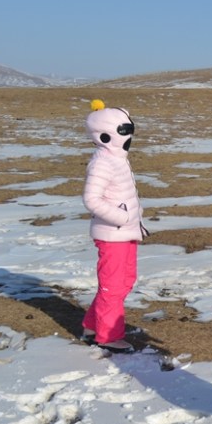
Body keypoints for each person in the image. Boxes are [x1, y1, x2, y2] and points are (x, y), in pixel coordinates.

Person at [81, 99, 148, 353]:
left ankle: (92, 325)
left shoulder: (116, 158)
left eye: (130, 130)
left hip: (126, 231)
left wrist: (133, 217)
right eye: (124, 131)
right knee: (113, 286)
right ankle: (108, 336)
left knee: (125, 280)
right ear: (107, 134)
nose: (129, 136)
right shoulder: (102, 162)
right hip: (113, 234)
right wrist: (120, 218)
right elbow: (91, 199)